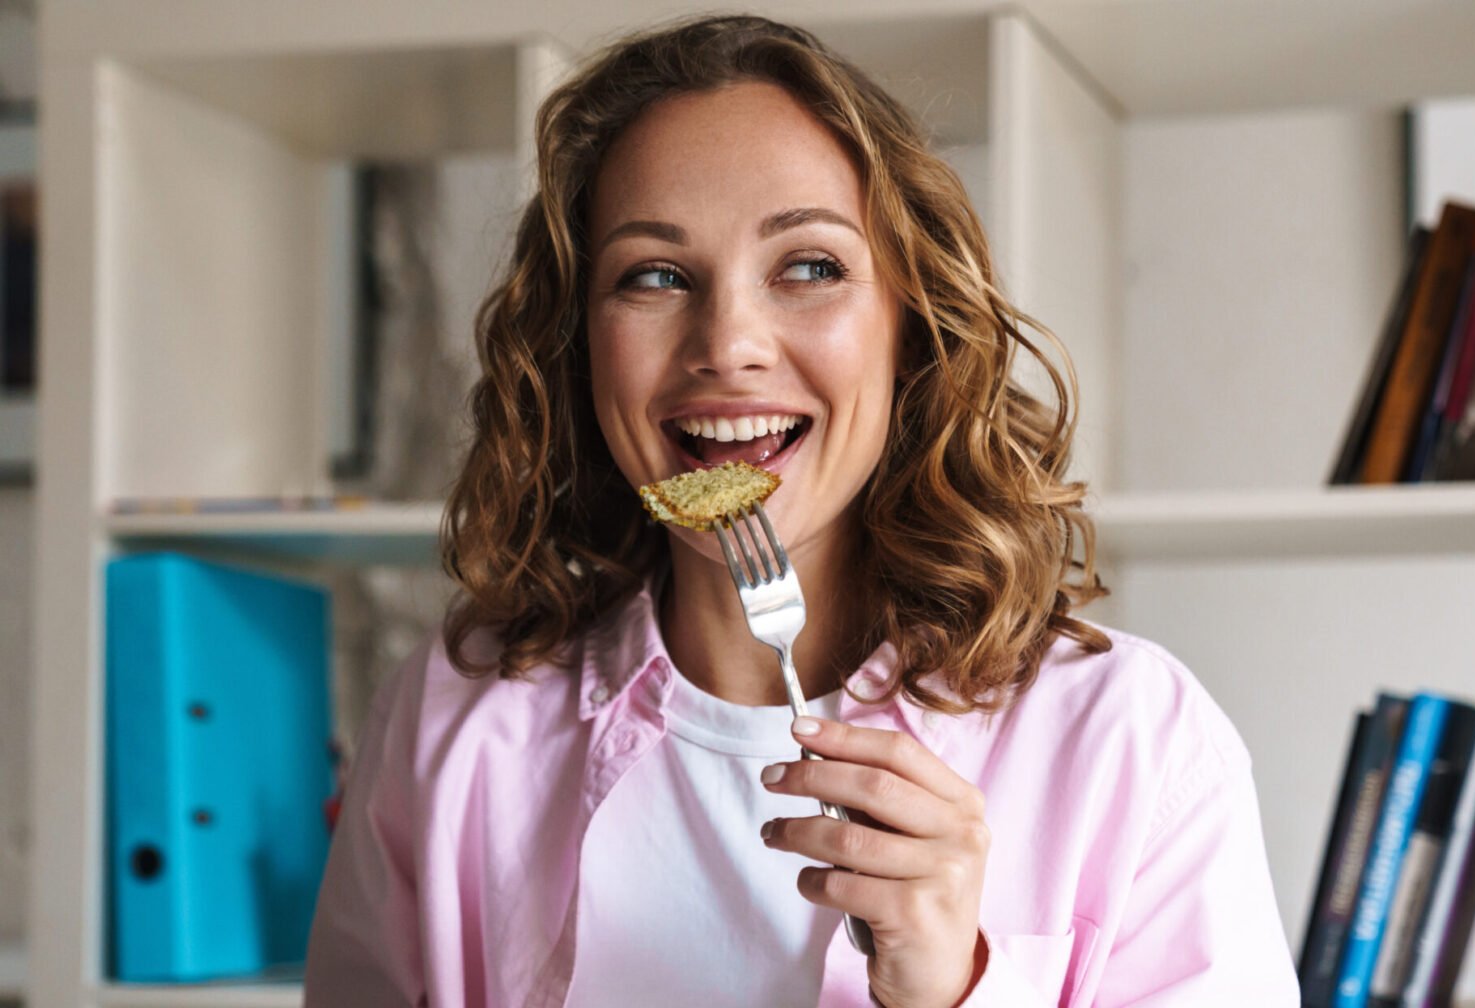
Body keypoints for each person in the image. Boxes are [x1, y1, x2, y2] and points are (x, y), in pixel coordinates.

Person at [304, 14, 1299, 1007]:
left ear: (909, 328)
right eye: (655, 275)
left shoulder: (1135, 743)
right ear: (577, 347)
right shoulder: (447, 720)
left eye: (809, 267)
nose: (728, 344)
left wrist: (956, 990)